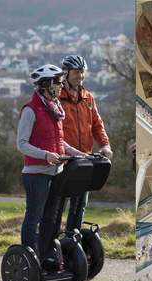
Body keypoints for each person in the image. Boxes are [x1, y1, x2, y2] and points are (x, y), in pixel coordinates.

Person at [17, 64, 85, 257]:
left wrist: (76, 153)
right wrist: (45, 155)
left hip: (56, 172)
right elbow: (21, 144)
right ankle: (29, 257)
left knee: (50, 219)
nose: (61, 85)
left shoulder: (54, 108)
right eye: (57, 82)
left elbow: (59, 141)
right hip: (36, 174)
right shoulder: (30, 110)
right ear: (46, 85)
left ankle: (46, 256)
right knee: (34, 218)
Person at [60, 55, 113, 232]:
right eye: (76, 72)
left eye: (82, 72)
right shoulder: (57, 98)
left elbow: (97, 125)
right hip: (64, 159)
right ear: (65, 73)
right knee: (58, 204)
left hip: (85, 160)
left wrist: (105, 145)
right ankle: (51, 242)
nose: (80, 76)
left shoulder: (88, 98)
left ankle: (72, 239)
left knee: (80, 204)